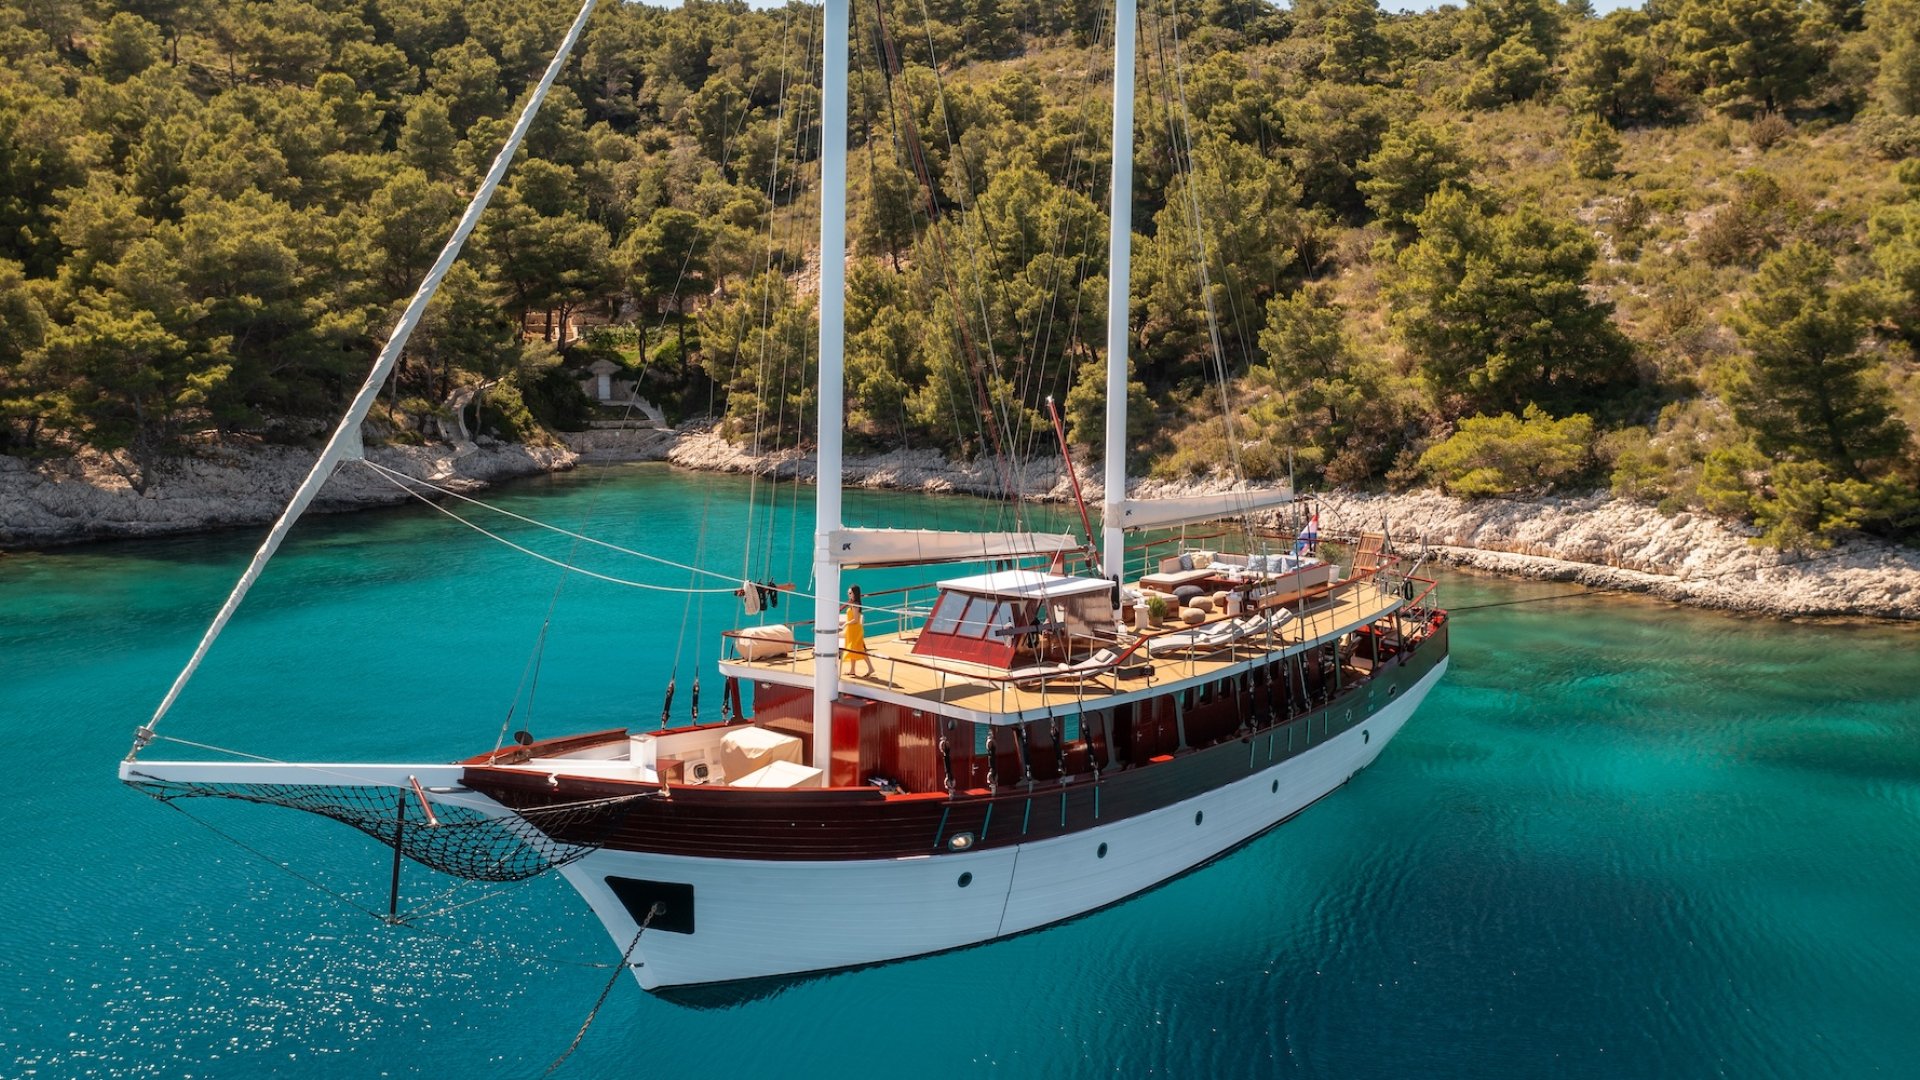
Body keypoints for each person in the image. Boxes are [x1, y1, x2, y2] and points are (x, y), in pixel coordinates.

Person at [842, 584, 875, 678]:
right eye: (848, 593)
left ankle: (870, 668)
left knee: (859, 649)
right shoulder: (852, 603)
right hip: (852, 630)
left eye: (850, 593)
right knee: (854, 649)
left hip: (855, 630)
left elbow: (856, 620)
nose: (848, 594)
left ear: (854, 593)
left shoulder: (855, 604)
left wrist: (845, 624)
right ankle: (852, 670)